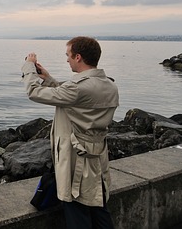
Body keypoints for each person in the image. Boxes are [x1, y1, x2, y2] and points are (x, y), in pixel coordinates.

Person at [22, 36, 119, 229]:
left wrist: (28, 67)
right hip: (97, 159)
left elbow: (34, 92)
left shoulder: (77, 88)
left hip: (77, 163)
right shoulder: (109, 85)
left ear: (78, 57)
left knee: (77, 212)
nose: (66, 59)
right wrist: (48, 79)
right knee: (99, 209)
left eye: (68, 55)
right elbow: (75, 98)